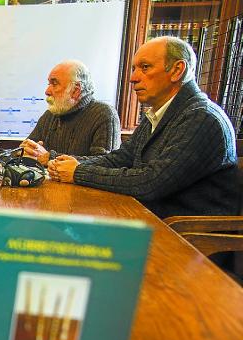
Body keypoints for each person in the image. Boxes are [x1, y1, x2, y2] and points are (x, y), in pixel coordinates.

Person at [48, 36, 239, 218]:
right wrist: (66, 163)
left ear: (177, 70)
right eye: (134, 68)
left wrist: (79, 172)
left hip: (187, 238)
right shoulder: (158, 114)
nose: (133, 78)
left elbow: (152, 182)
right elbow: (120, 159)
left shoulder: (202, 117)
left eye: (145, 67)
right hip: (149, 221)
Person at [19, 60, 121, 166]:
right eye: (49, 83)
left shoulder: (104, 114)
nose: (47, 91)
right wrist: (24, 151)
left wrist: (50, 158)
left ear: (75, 91)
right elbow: (28, 149)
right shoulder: (50, 114)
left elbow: (106, 163)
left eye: (54, 84)